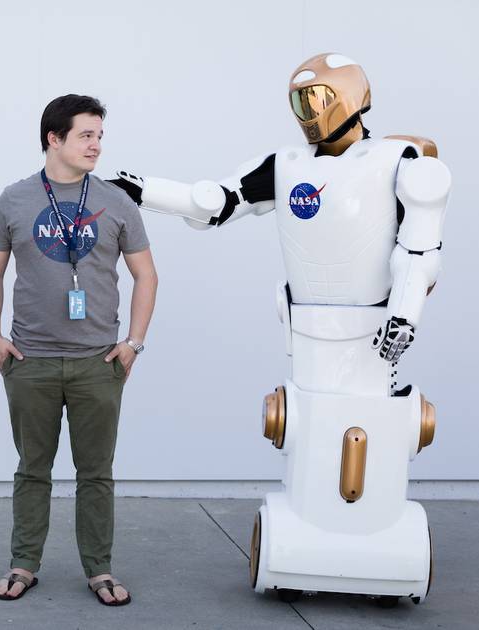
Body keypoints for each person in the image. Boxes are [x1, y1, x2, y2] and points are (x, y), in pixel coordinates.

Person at [110, 53, 448, 604]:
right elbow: (215, 202)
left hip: (374, 338)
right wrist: (144, 190)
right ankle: (311, 549)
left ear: (349, 96)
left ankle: (377, 549)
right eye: (299, 102)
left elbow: (419, 249)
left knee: (375, 429)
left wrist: (406, 313)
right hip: (309, 333)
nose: (308, 113)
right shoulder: (288, 163)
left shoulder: (400, 160)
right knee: (309, 430)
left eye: (316, 98)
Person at [0, 94, 157, 606]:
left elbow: (146, 275)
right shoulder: (14, 199)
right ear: (53, 138)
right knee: (32, 469)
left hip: (98, 363)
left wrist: (133, 345)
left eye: (100, 135)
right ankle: (23, 564)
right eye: (85, 135)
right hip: (29, 361)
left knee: (96, 473)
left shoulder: (117, 201)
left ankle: (99, 570)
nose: (96, 145)